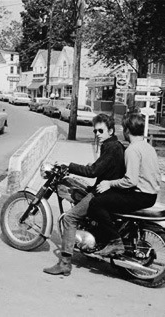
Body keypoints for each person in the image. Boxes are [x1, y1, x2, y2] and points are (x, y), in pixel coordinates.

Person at [43, 113, 125, 276]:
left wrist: (70, 165)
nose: (97, 135)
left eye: (101, 131)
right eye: (95, 132)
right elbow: (102, 168)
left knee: (70, 217)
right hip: (109, 189)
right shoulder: (115, 145)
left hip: (104, 192)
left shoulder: (111, 147)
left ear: (110, 130)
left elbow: (93, 171)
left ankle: (65, 263)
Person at [89, 113, 162, 257]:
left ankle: (115, 242)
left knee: (96, 204)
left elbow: (131, 180)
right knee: (109, 200)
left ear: (127, 130)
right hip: (151, 195)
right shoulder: (148, 147)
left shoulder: (132, 150)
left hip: (139, 195)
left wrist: (110, 183)